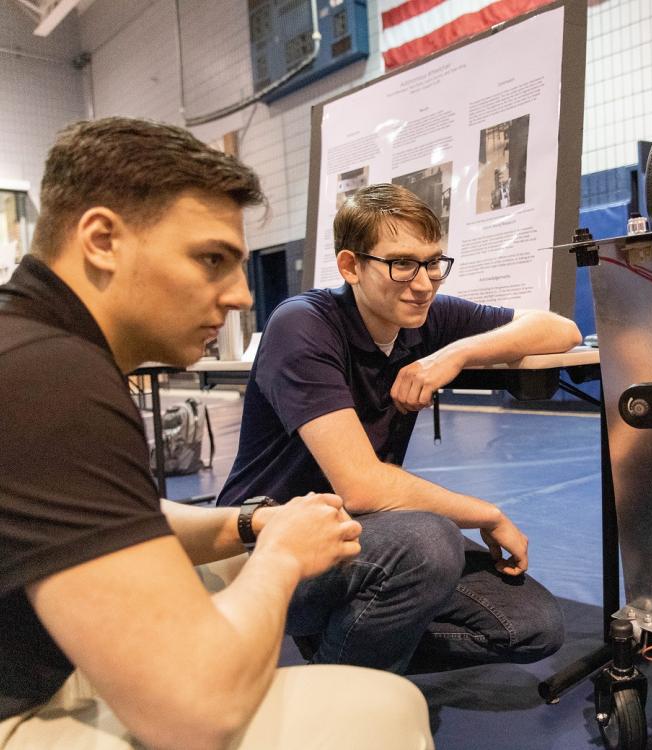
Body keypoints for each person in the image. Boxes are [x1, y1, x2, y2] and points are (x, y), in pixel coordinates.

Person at [0, 118, 434, 750]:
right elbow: (196, 715)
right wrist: (283, 558)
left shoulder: (33, 345)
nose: (241, 297)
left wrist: (250, 526)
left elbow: (116, 515)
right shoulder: (53, 377)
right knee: (387, 708)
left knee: (389, 547)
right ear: (101, 239)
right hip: (22, 701)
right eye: (211, 260)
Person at [217, 183, 581, 672]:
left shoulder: (421, 316)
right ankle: (342, 696)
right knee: (429, 542)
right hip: (269, 545)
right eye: (402, 263)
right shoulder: (303, 325)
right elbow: (363, 485)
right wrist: (487, 515)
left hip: (361, 537)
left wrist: (455, 353)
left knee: (532, 624)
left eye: (433, 262)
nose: (424, 282)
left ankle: (343, 650)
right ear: (351, 267)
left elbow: (561, 330)